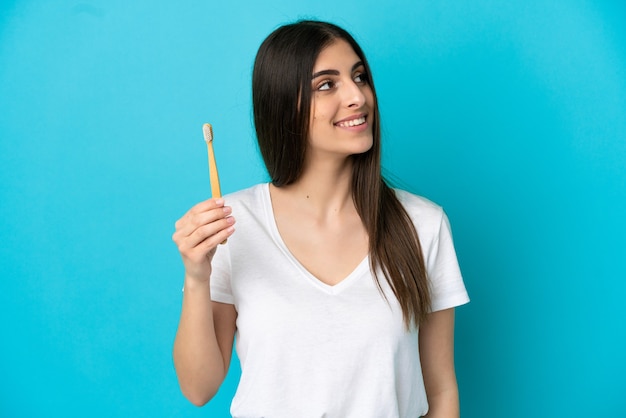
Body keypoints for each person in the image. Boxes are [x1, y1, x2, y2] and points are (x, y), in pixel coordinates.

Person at [172, 20, 469, 418]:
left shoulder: (423, 224)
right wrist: (196, 275)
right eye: (326, 84)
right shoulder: (233, 223)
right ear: (283, 105)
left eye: (359, 77)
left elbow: (442, 392)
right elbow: (198, 387)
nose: (357, 96)